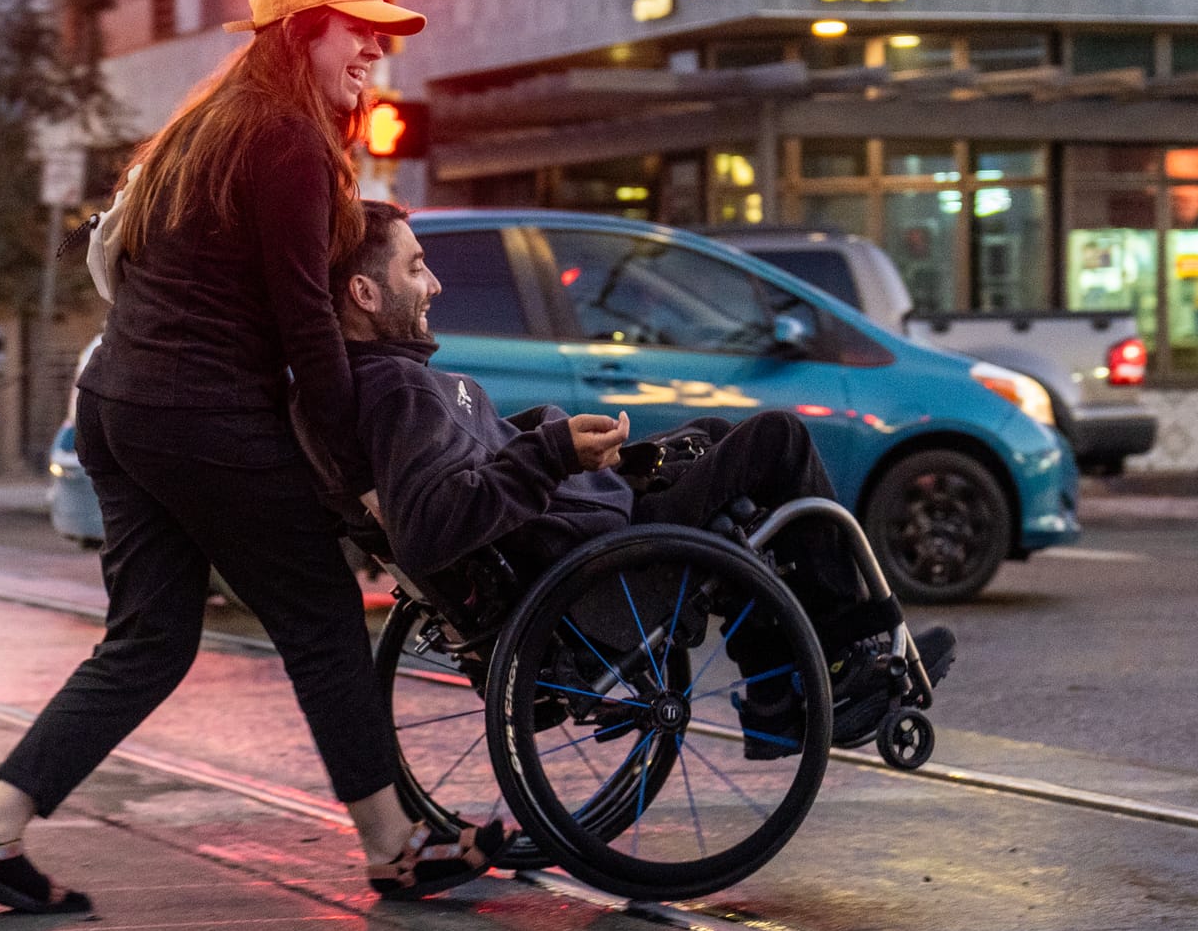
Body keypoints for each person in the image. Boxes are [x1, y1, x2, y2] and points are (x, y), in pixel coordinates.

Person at [0, 0, 502, 916]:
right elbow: (305, 321)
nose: (374, 42)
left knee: (151, 639)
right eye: (355, 26)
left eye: (379, 30)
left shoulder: (204, 128)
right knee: (322, 619)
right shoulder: (285, 140)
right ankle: (394, 847)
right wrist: (358, 469)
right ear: (300, 33)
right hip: (198, 411)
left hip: (119, 404)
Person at [332, 203, 954, 758]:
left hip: (585, 530)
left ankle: (772, 696)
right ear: (364, 293)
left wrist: (587, 456)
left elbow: (483, 465)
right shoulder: (399, 391)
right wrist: (554, 452)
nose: (435, 284)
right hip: (597, 565)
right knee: (777, 439)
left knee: (713, 436)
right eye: (415, 269)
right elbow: (432, 528)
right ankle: (847, 654)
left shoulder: (392, 382)